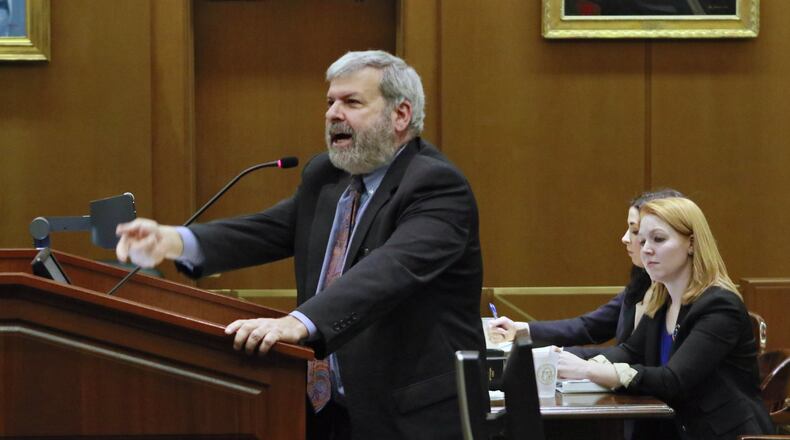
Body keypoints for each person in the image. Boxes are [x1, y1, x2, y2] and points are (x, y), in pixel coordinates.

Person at [115, 50, 484, 440]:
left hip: (410, 417)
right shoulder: (326, 175)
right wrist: (174, 241)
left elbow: (391, 269)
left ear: (401, 115)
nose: (333, 114)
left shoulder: (436, 186)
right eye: (330, 102)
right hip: (327, 411)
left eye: (351, 102)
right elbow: (267, 231)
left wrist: (300, 322)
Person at [557, 197, 773, 440]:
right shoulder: (662, 301)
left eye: (658, 239)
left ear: (692, 244)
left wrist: (589, 370)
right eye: (643, 241)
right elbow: (629, 352)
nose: (646, 249)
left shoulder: (720, 306)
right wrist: (558, 359)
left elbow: (673, 380)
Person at [488, 189, 683, 359]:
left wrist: (561, 356)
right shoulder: (642, 282)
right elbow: (589, 326)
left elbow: (634, 357)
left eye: (634, 230)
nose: (625, 238)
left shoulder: (679, 294)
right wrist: (520, 330)